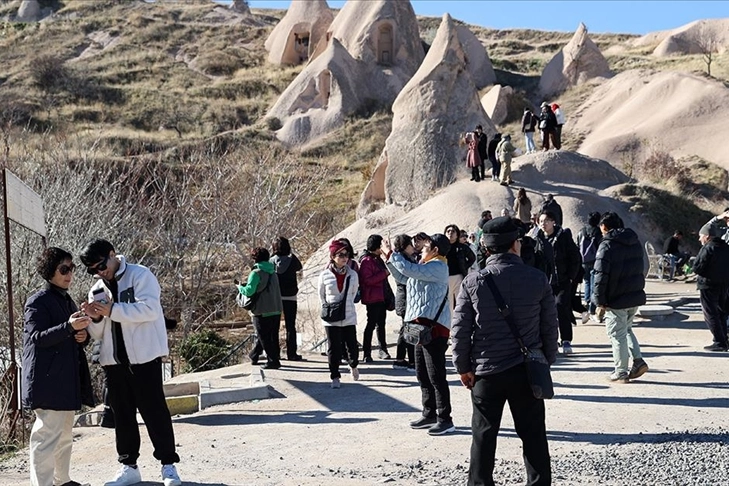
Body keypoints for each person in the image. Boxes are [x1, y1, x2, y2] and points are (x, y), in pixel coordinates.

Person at [452, 216, 557, 486]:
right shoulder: (537, 278)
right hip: (526, 369)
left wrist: (463, 367)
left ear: (486, 249)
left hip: (486, 371)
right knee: (533, 435)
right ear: (514, 245)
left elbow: (461, 329)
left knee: (483, 436)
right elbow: (549, 325)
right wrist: (547, 360)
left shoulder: (473, 282)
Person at [79, 239, 181, 486]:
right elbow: (99, 333)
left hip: (144, 359)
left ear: (113, 254)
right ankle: (128, 466)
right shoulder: (96, 289)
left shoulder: (140, 275)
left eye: (101, 265)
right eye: (93, 270)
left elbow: (150, 311)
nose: (99, 272)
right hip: (113, 362)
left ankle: (168, 466)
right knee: (122, 416)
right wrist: (93, 319)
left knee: (155, 412)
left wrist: (111, 310)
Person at [23, 247, 94, 486]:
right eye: (64, 269)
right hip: (47, 382)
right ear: (49, 271)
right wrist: (69, 327)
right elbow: (37, 338)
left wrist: (83, 337)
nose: (69, 274)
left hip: (65, 381)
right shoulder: (37, 302)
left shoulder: (66, 300)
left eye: (71, 268)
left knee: (64, 437)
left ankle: (62, 481)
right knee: (45, 438)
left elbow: (71, 336)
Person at [384, 233, 455, 436]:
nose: (421, 247)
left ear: (435, 250)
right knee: (422, 373)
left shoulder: (438, 267)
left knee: (436, 375)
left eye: (426, 245)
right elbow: (404, 277)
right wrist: (388, 260)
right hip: (419, 328)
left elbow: (409, 270)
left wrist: (392, 253)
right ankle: (429, 413)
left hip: (434, 328)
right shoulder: (424, 266)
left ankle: (445, 418)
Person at [592, 212, 649, 382]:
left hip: (615, 298)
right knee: (627, 329)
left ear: (605, 227)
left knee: (617, 334)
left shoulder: (607, 245)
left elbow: (600, 276)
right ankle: (638, 361)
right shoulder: (634, 241)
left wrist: (599, 301)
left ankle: (621, 371)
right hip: (634, 296)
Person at [318, 239, 360, 388]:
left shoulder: (353, 274)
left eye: (346, 254)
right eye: (340, 254)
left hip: (348, 314)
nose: (344, 257)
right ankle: (335, 376)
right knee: (333, 347)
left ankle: (353, 364)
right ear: (332, 256)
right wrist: (327, 307)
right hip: (331, 317)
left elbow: (354, 292)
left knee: (352, 346)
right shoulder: (324, 275)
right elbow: (321, 294)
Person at [538, 211, 580, 355]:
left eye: (546, 221)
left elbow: (575, 257)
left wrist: (570, 276)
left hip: (562, 281)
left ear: (553, 222)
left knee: (561, 307)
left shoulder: (563, 236)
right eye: (540, 221)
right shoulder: (537, 238)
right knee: (546, 312)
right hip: (544, 282)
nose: (543, 224)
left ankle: (566, 340)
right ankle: (551, 341)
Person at [238, 247, 283, 370]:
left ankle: (273, 361)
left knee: (263, 336)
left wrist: (239, 287)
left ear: (254, 258)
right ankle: (255, 355)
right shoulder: (273, 272)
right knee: (270, 336)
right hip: (276, 308)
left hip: (262, 310)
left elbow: (249, 291)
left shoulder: (256, 273)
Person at [693, 222, 729, 351]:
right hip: (724, 284)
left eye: (701, 236)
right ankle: (724, 340)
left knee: (710, 313)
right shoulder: (725, 247)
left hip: (708, 284)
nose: (699, 239)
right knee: (721, 313)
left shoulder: (708, 247)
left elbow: (697, 267)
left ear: (707, 236)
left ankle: (719, 342)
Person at [359, 234, 392, 361]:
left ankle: (382, 349)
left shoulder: (378, 259)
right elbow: (367, 280)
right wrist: (383, 274)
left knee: (381, 324)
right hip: (372, 298)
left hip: (381, 296)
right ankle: (367, 353)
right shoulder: (367, 261)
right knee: (371, 324)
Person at [270, 236, 303, 361]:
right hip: (291, 296)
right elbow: (299, 269)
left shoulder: (271, 261)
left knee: (275, 326)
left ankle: (275, 354)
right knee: (291, 326)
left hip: (276, 296)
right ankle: (292, 354)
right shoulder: (293, 259)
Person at [391, 234, 416, 371]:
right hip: (406, 298)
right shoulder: (403, 260)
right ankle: (412, 361)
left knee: (405, 329)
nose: (413, 247)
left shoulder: (406, 258)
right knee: (409, 329)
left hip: (404, 298)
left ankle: (400, 359)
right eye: (411, 244)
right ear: (405, 246)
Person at [444, 224, 476, 314]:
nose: (450, 233)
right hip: (445, 278)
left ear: (457, 234)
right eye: (448, 231)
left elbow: (472, 258)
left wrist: (464, 267)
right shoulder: (442, 247)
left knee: (461, 302)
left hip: (459, 277)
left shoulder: (462, 247)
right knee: (447, 304)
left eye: (453, 231)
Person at [576, 212, 603, 319]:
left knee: (587, 282)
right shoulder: (598, 232)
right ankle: (592, 307)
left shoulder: (582, 231)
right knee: (594, 284)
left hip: (583, 261)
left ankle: (586, 303)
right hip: (595, 261)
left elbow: (577, 245)